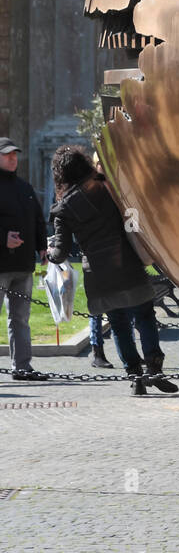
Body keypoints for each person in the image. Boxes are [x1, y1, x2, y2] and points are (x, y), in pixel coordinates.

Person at [48, 145, 177, 397]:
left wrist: (49, 253)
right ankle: (154, 368)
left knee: (119, 324)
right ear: (84, 164)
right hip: (126, 261)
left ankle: (135, 377)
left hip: (98, 272)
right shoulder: (106, 186)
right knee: (145, 316)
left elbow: (60, 253)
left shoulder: (62, 209)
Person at [0, 137, 50, 382]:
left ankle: (22, 367)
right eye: (7, 154)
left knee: (20, 319)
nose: (12, 158)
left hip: (23, 267)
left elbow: (38, 220)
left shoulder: (25, 187)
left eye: (15, 154)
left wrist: (42, 246)